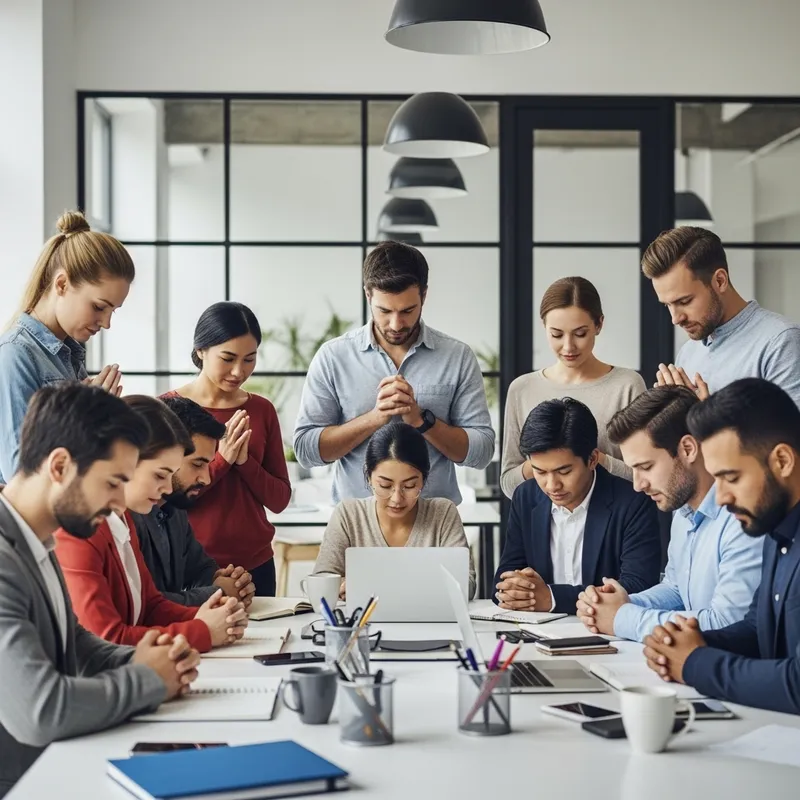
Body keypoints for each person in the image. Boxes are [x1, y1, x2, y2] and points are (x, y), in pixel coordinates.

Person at [0, 383, 200, 796]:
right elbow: (41, 710)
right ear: (60, 467)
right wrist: (149, 680)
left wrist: (150, 659)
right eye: (112, 483)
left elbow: (72, 640)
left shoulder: (37, 538)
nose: (117, 503)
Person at [293, 241, 494, 505]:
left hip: (435, 523)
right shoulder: (333, 357)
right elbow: (306, 451)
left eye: (407, 310)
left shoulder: (457, 357)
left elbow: (481, 453)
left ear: (424, 295)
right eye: (384, 311)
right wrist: (375, 418)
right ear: (368, 296)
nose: (396, 324)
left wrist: (422, 421)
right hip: (356, 523)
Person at [643, 378, 800, 714]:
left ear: (783, 461)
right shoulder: (776, 526)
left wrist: (695, 663)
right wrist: (685, 643)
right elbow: (759, 629)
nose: (722, 497)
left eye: (731, 478)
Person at [55, 395, 248, 653]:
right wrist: (201, 630)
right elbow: (105, 639)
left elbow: (150, 605)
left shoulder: (123, 520)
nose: (168, 487)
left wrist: (212, 616)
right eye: (160, 474)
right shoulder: (79, 530)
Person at [576, 386, 762, 642]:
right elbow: (677, 590)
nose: (638, 485)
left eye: (646, 467)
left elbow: (727, 622)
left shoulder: (742, 519)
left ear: (687, 449)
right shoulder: (682, 511)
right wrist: (617, 603)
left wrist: (622, 618)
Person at [0, 210, 134, 484]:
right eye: (99, 307)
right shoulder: (16, 355)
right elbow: (19, 474)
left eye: (113, 311)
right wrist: (83, 414)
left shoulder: (66, 356)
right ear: (61, 284)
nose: (106, 323)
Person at [168, 302, 291, 597]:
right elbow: (167, 497)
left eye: (249, 359)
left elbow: (279, 499)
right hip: (192, 566)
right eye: (228, 358)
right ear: (200, 350)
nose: (239, 371)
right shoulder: (169, 410)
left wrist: (244, 461)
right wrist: (223, 459)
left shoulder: (262, 410)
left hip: (256, 565)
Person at [494, 398, 660, 614]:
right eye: (540, 472)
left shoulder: (632, 501)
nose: (552, 485)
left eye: (564, 471)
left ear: (592, 459)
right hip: (537, 632)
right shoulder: (526, 497)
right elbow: (504, 577)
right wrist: (513, 589)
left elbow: (639, 586)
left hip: (607, 633)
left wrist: (552, 598)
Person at [501, 276, 645, 497]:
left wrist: (591, 458)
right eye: (556, 334)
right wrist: (546, 463)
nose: (568, 346)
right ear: (544, 327)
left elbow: (645, 476)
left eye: (580, 334)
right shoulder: (522, 389)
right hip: (545, 524)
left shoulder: (626, 386)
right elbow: (509, 484)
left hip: (615, 520)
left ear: (599, 324)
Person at [313, 423, 476, 599]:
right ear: (369, 478)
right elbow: (322, 580)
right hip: (361, 624)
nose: (397, 498)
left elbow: (466, 584)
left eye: (409, 486)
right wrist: (343, 586)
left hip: (427, 623)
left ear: (423, 480)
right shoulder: (348, 514)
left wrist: (372, 584)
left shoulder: (442, 513)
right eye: (385, 485)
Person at [642, 226, 800, 406]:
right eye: (667, 305)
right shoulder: (688, 352)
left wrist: (702, 413)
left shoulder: (781, 342)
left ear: (720, 281)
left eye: (684, 301)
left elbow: (791, 432)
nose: (676, 318)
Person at [130, 396, 256, 608]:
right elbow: (145, 604)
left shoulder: (174, 509)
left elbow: (198, 569)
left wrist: (224, 580)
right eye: (197, 464)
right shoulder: (125, 516)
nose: (206, 479)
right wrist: (219, 592)